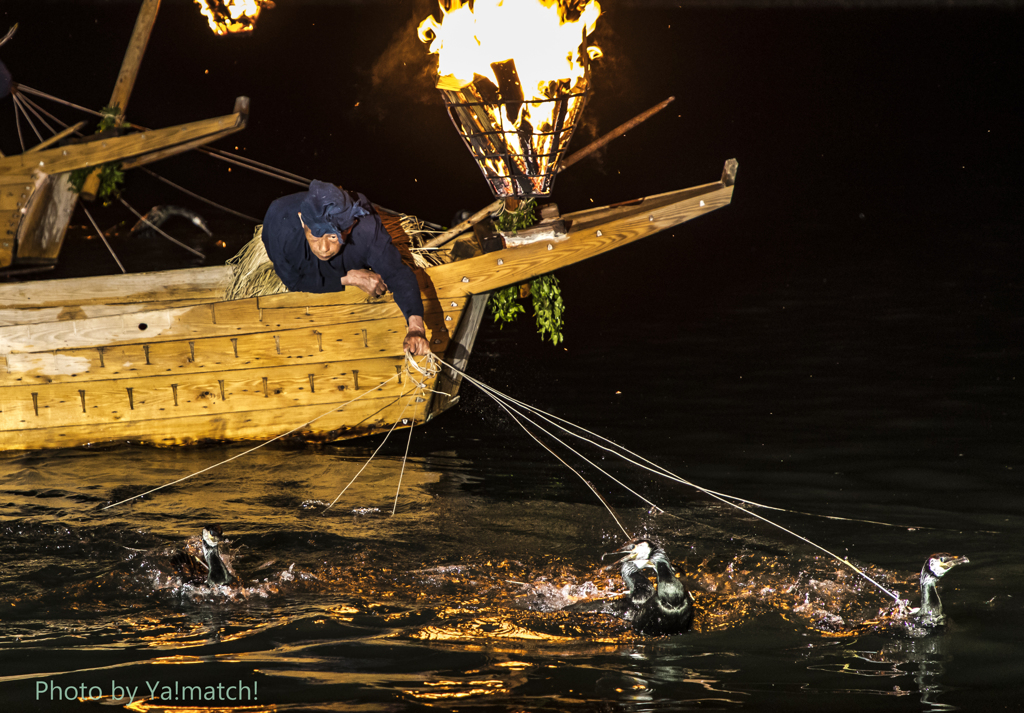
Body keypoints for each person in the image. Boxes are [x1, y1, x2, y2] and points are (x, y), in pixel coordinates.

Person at [261, 180, 429, 356]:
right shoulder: (281, 226)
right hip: (294, 242)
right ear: (303, 220)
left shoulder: (366, 229)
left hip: (354, 248)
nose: (323, 248)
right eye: (316, 236)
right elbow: (293, 281)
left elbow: (396, 274)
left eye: (333, 237)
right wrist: (349, 278)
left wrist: (416, 329)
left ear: (349, 227)